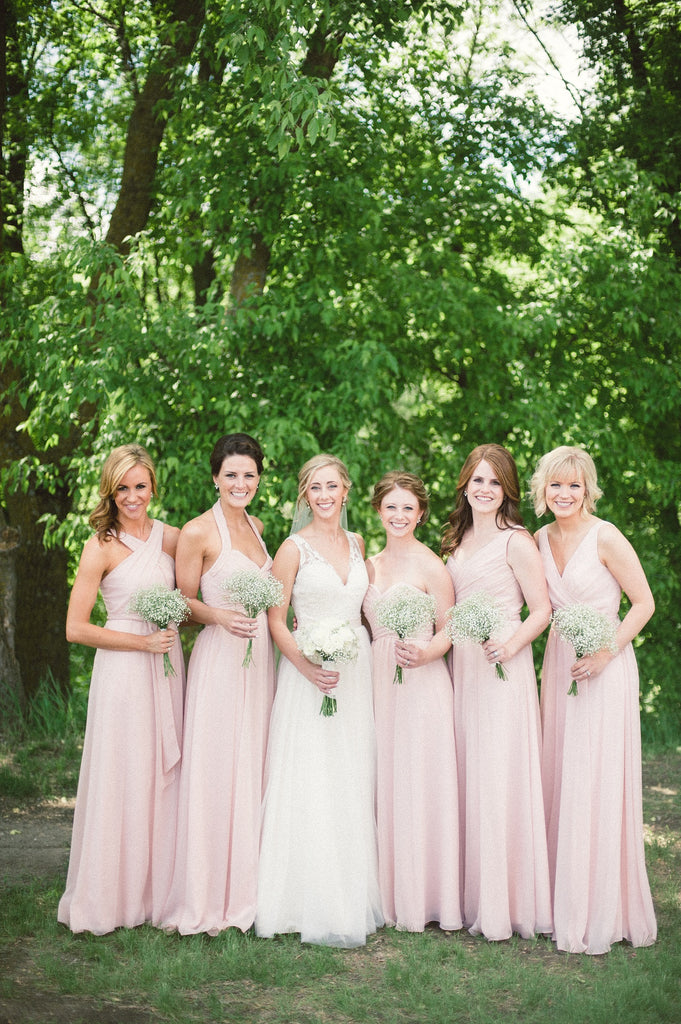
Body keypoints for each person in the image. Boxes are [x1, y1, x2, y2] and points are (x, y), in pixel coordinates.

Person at [530, 445, 657, 954]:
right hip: (560, 665)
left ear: (588, 490)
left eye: (574, 485)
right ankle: (560, 896)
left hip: (605, 666)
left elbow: (644, 602)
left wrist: (606, 652)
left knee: (596, 776)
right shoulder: (537, 538)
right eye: (556, 485)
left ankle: (604, 905)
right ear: (543, 489)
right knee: (561, 771)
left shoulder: (606, 536)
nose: (564, 494)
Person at [255, 454, 383, 947]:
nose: (325, 495)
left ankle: (348, 893)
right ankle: (297, 899)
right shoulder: (291, 550)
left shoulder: (358, 543)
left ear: (347, 490)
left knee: (349, 775)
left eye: (332, 486)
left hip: (354, 671)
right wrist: (306, 667)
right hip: (306, 674)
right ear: (304, 495)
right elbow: (275, 620)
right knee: (308, 776)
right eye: (315, 487)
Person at [58, 444, 184, 934]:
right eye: (123, 487)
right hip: (125, 670)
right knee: (124, 773)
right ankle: (111, 896)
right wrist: (140, 641)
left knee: (161, 775)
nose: (133, 496)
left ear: (153, 487)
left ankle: (158, 894)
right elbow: (75, 628)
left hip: (167, 664)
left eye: (141, 486)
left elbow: (219, 552)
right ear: (111, 490)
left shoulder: (171, 538)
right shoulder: (101, 545)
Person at [161, 433, 275, 934]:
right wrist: (221, 618)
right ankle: (208, 895)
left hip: (261, 661)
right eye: (231, 474)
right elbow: (183, 603)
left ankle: (250, 889)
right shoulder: (196, 533)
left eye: (249, 474)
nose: (240, 483)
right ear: (215, 477)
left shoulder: (260, 526)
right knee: (216, 771)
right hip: (220, 660)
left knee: (253, 767)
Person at [442, 442, 553, 941]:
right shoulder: (456, 540)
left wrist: (509, 646)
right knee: (468, 771)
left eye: (494, 481)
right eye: (477, 480)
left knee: (498, 772)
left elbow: (542, 610)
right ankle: (470, 896)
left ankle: (506, 902)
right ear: (464, 484)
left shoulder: (516, 541)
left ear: (506, 488)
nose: (484, 489)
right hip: (463, 664)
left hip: (502, 664)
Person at [363, 471, 462, 933]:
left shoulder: (432, 566)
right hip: (378, 679)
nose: (399, 515)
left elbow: (450, 628)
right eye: (391, 507)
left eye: (408, 508)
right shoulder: (368, 564)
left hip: (422, 679)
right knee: (385, 776)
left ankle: (428, 896)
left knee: (421, 780)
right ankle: (387, 893)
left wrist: (426, 653)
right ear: (378, 510)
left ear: (421, 513)